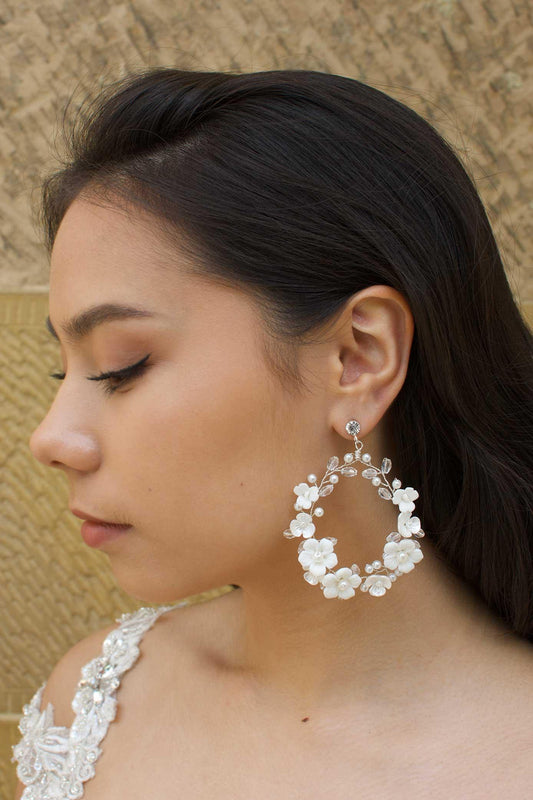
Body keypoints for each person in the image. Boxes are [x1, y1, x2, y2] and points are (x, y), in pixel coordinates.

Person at [12, 68, 532, 798]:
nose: (51, 439)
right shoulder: (98, 706)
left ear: (358, 358)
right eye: (60, 371)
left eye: (122, 367)